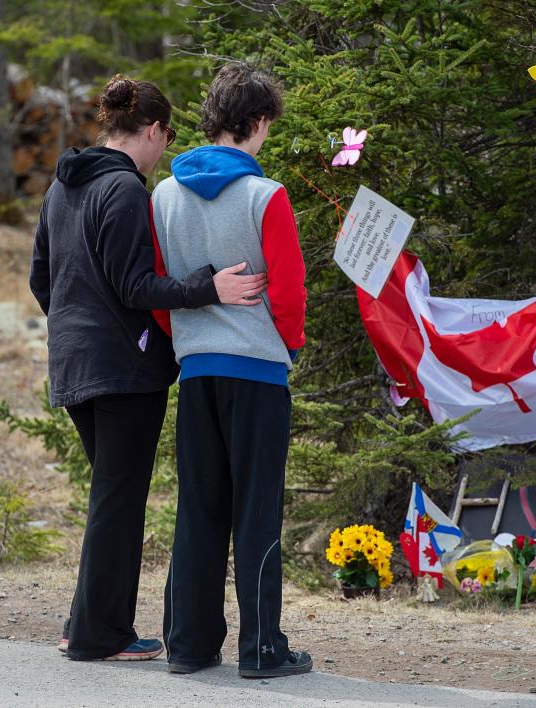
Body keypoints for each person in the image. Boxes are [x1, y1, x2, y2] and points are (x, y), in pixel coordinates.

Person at [29, 73, 267, 662]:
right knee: (119, 497)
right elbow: (138, 286)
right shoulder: (126, 191)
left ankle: (82, 622)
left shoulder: (64, 188)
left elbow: (42, 278)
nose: (165, 154)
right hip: (123, 369)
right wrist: (206, 287)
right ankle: (98, 636)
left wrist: (74, 326)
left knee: (110, 495)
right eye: (167, 140)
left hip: (71, 362)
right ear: (155, 130)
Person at [151, 62, 311, 678]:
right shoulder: (265, 196)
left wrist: (186, 342)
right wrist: (287, 349)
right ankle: (262, 648)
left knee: (199, 508)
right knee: (256, 510)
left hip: (196, 371)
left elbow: (164, 288)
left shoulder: (164, 194)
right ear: (260, 121)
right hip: (258, 370)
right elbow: (290, 292)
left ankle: (188, 645)